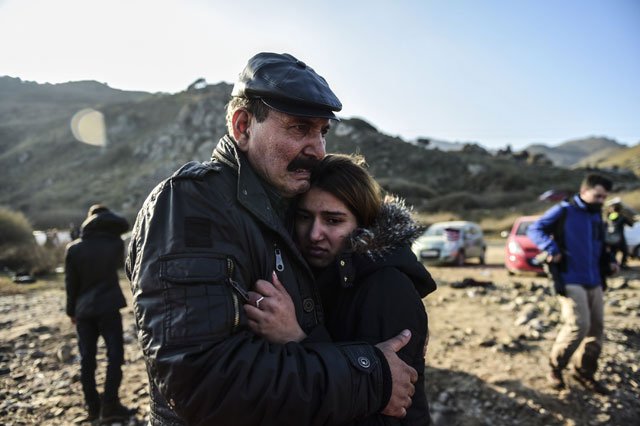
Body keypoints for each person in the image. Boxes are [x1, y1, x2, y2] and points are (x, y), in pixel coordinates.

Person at [126, 52, 418, 426]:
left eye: (322, 132)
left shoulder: (288, 206)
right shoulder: (191, 205)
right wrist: (369, 375)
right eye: (299, 128)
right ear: (243, 126)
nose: (318, 149)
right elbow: (202, 384)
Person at [244, 154, 437, 425]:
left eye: (333, 221)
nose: (314, 234)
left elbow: (381, 413)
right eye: (304, 217)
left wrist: (296, 337)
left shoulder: (387, 289)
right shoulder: (315, 275)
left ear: (363, 225)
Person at [527, 174, 618, 394]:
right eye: (597, 196)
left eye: (604, 197)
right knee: (579, 326)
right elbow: (534, 229)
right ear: (584, 192)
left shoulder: (597, 216)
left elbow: (601, 245)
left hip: (594, 279)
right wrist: (552, 249)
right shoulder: (564, 210)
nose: (601, 201)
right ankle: (555, 368)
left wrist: (612, 261)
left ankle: (584, 372)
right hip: (569, 278)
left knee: (596, 330)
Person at [65, 204, 133, 422]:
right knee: (115, 355)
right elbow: (123, 227)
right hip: (108, 307)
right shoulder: (113, 244)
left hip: (83, 311)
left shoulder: (73, 248)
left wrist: (71, 311)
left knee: (87, 359)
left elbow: (71, 285)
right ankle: (110, 404)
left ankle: (93, 407)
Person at [605, 203, 632, 268]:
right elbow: (631, 224)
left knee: (613, 252)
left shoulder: (608, 217)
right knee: (625, 252)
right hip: (620, 238)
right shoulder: (622, 217)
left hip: (610, 238)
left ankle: (611, 264)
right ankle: (623, 264)